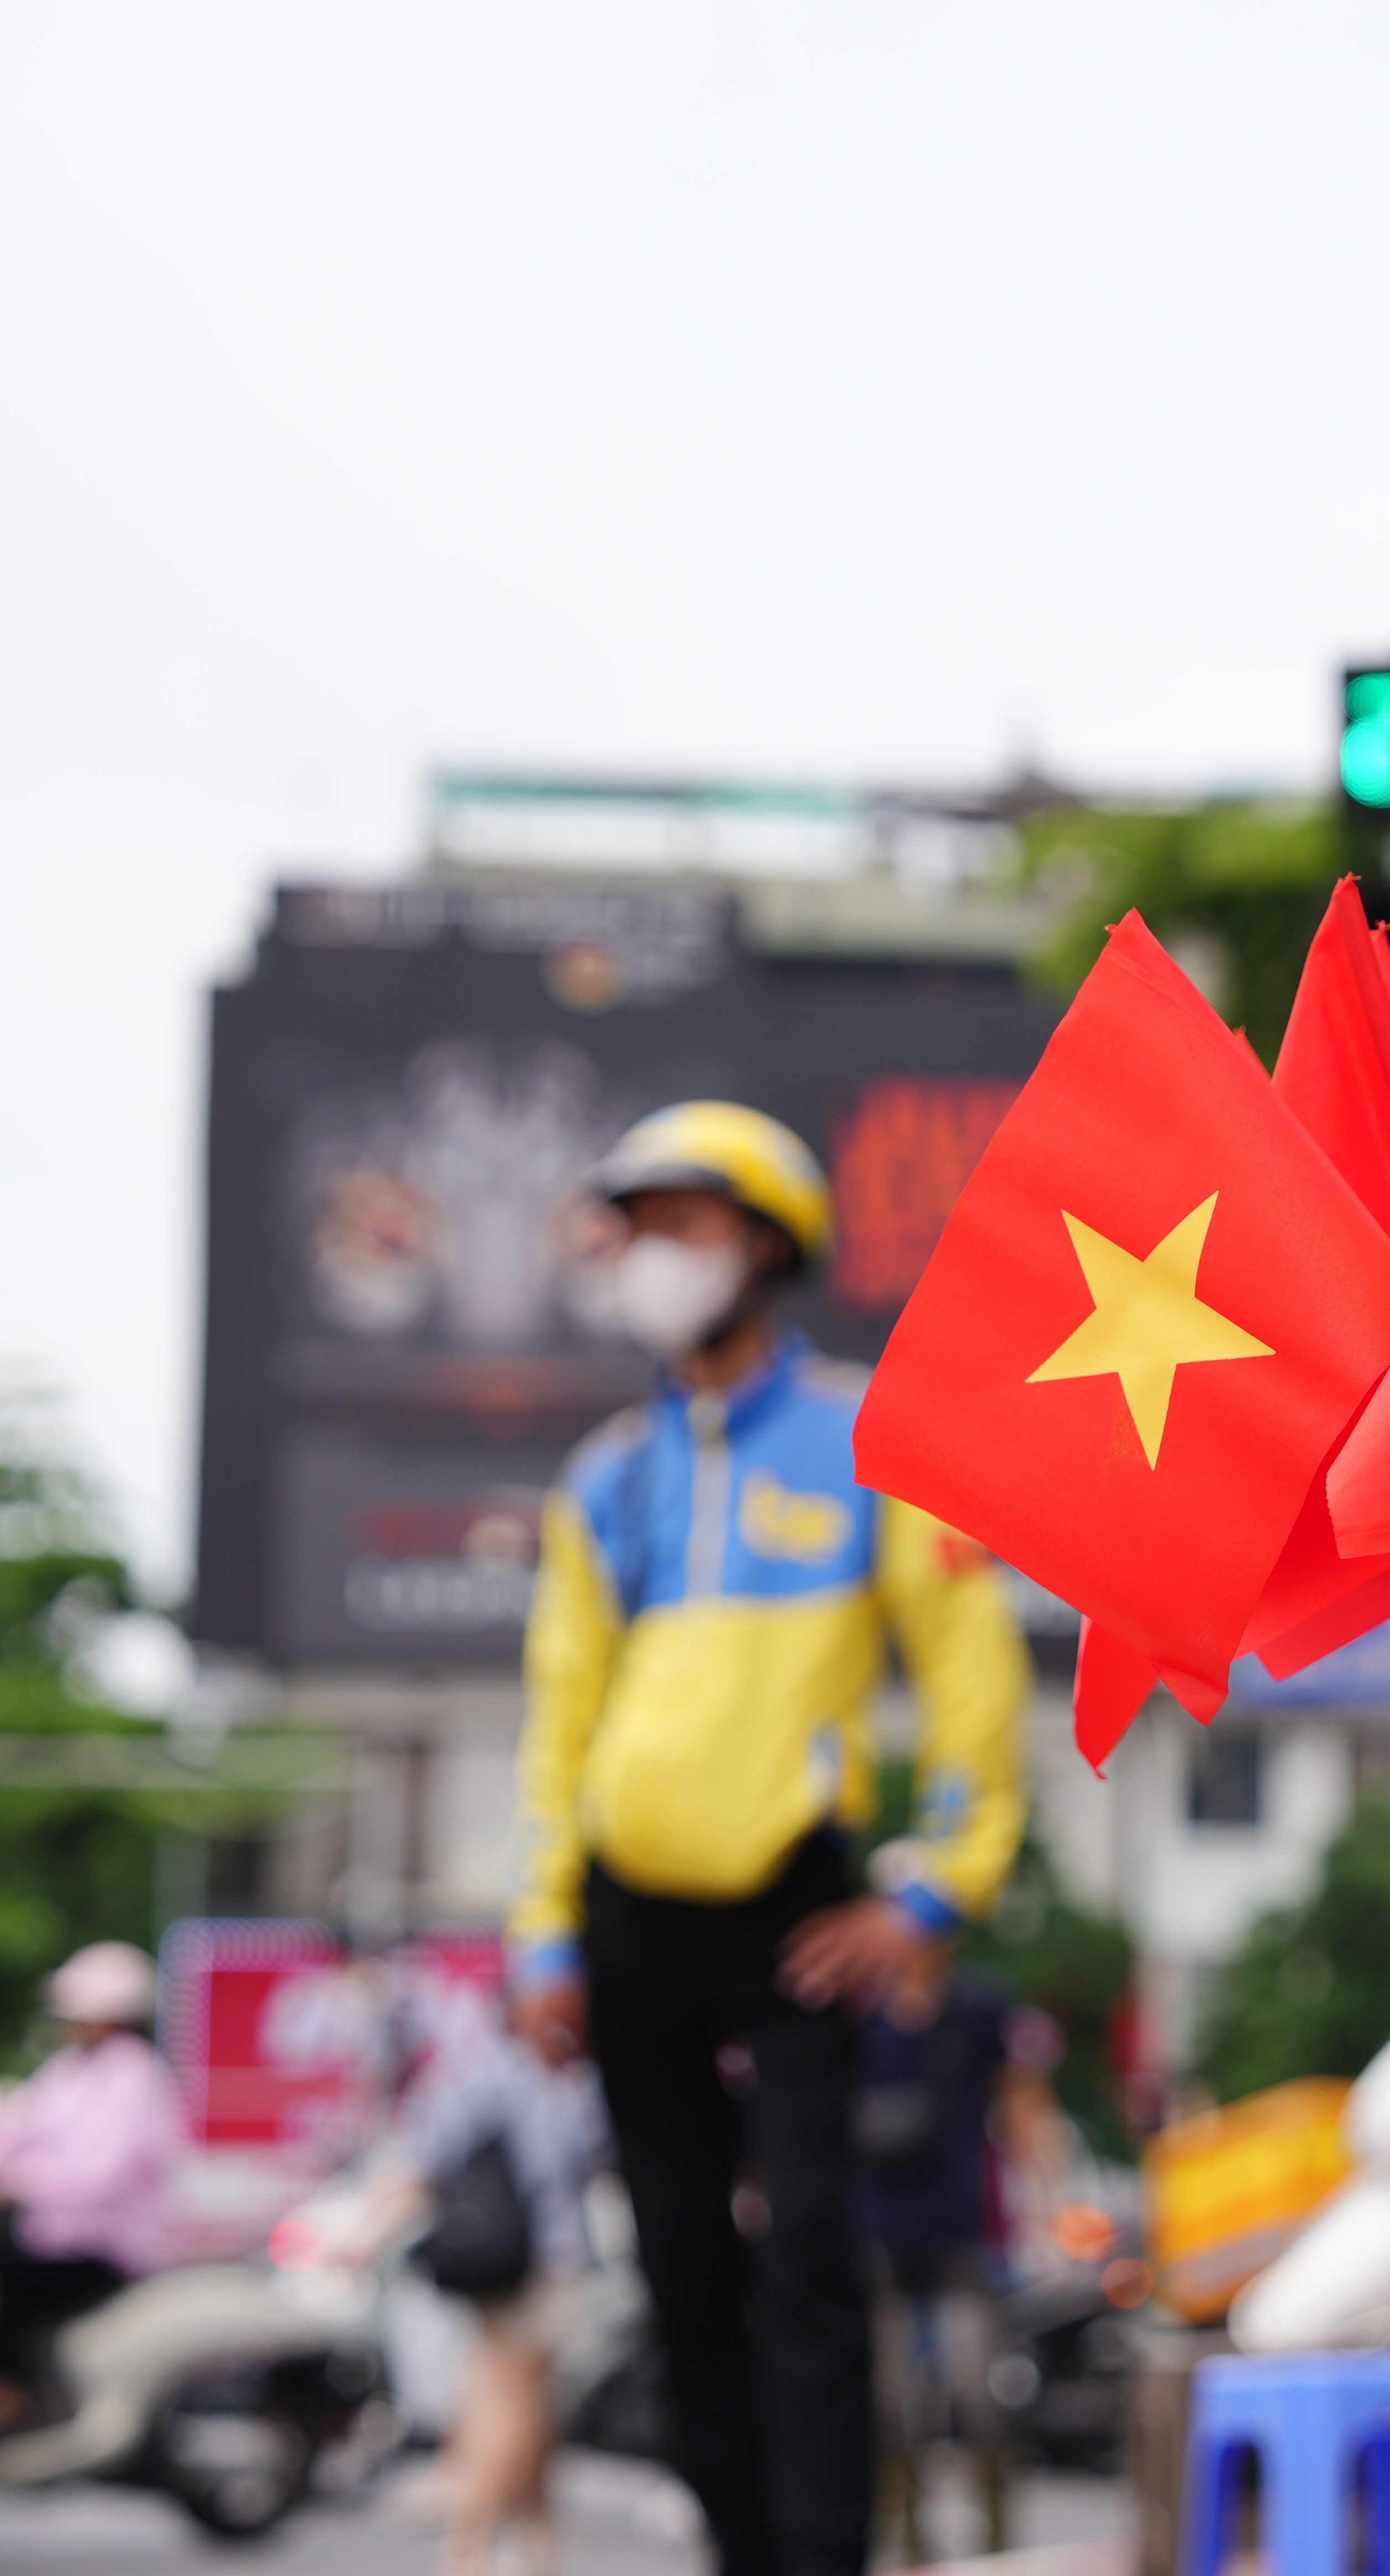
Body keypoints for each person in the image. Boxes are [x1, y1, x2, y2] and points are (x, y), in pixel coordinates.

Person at [508, 1100, 1030, 2576]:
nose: (652, 1257)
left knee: (806, 2249)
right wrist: (543, 1932)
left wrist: (931, 1894)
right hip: (627, 1919)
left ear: (765, 1242)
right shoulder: (606, 1475)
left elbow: (974, 1681)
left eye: (683, 1225)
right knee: (679, 2273)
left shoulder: (874, 1435)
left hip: (797, 1911)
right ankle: (742, 2556)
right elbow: (558, 1720)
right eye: (638, 1230)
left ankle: (823, 2557)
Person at [393, 1991, 610, 2576]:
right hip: (545, 2260)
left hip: (498, 2259)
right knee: (515, 2398)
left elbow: (422, 2161)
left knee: (518, 2393)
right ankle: (473, 2539)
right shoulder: (558, 2082)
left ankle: (535, 2533)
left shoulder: (475, 2074)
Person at [0, 1939, 183, 2416]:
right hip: (51, 2233)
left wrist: (17, 2180)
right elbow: (10, 2132)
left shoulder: (134, 2075)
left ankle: (17, 2394)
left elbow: (100, 2176)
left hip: (105, 2246)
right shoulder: (69, 2070)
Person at [849, 1950, 1013, 2564]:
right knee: (891, 2399)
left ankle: (997, 2542)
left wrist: (1042, 2193)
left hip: (959, 2225)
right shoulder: (861, 2014)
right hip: (879, 2227)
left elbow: (1018, 2094)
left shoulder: (975, 2009)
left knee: (976, 2388)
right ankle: (908, 2544)